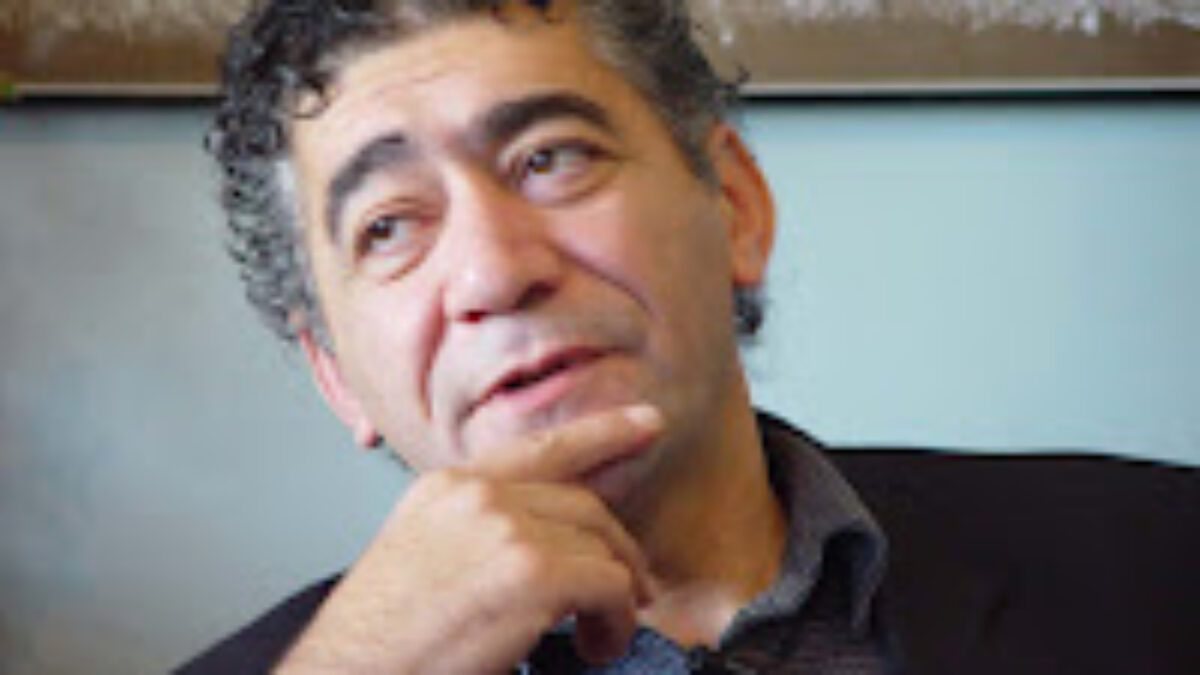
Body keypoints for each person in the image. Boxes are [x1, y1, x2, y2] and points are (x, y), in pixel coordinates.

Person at [180, 0, 1200, 673]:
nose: (494, 271)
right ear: (335, 375)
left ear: (736, 208)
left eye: (550, 159)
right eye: (389, 227)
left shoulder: (1159, 559)